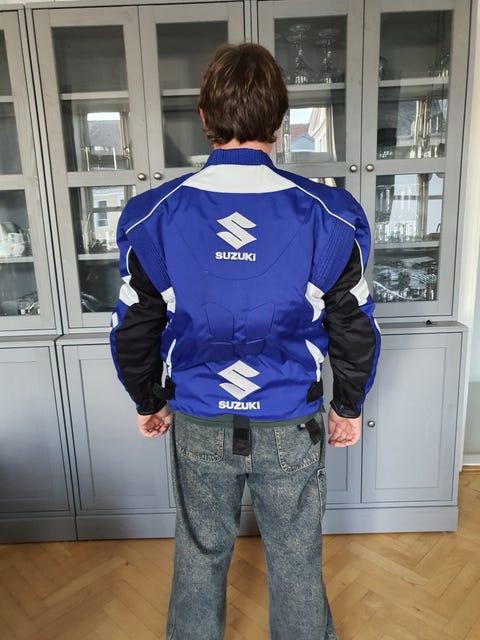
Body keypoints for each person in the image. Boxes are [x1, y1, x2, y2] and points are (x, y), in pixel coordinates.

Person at [110, 42, 380, 640]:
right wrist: (348, 406)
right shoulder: (331, 213)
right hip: (290, 421)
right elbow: (353, 324)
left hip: (199, 418)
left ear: (204, 118)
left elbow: (133, 327)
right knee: (295, 559)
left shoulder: (152, 213)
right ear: (279, 122)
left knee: (200, 556)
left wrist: (148, 399)